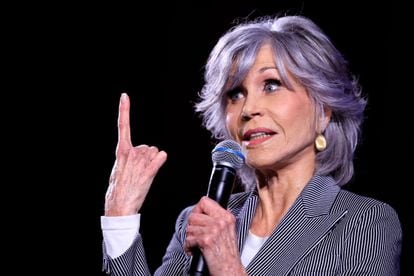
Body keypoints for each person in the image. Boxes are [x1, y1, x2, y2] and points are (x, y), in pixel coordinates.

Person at [101, 15, 402, 275]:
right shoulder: (200, 220)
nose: (248, 109)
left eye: (271, 85)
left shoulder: (364, 222)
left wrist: (228, 267)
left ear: (323, 111)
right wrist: (120, 215)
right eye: (235, 93)